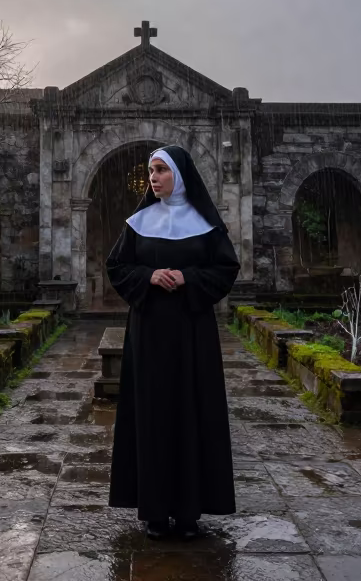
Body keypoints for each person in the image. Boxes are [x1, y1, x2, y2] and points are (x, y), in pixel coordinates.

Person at [106, 145, 240, 541]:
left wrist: (187, 278)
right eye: (151, 171)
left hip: (192, 334)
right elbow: (117, 266)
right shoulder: (138, 221)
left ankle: (188, 514)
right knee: (153, 414)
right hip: (149, 334)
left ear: (179, 175)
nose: (154, 177)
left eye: (161, 170)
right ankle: (154, 512)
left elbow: (226, 268)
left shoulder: (205, 222)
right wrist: (148, 276)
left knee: (191, 412)